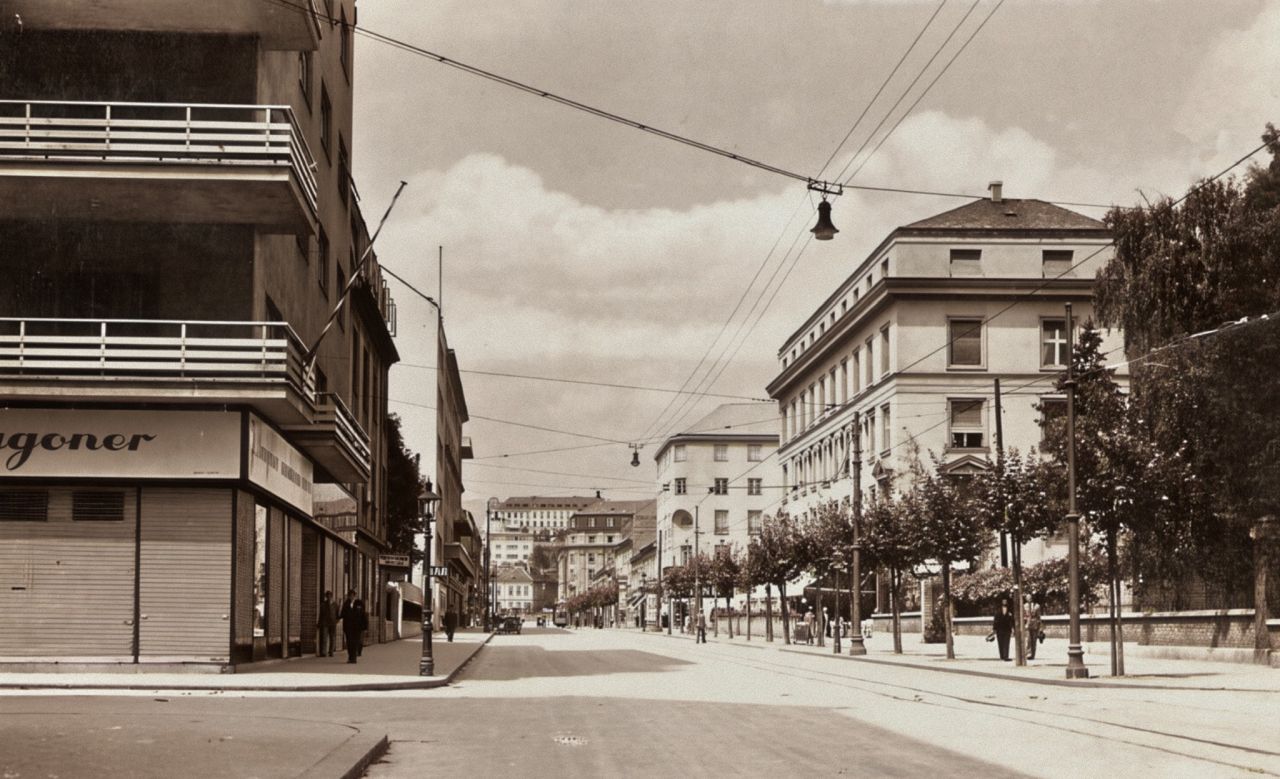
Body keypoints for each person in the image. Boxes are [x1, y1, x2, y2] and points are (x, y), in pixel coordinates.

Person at [339, 590, 365, 664]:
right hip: (348, 627)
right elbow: (342, 614)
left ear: (355, 596)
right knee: (349, 642)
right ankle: (350, 656)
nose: (351, 597)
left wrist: (364, 626)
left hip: (357, 627)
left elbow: (363, 615)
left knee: (355, 642)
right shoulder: (346, 604)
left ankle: (354, 658)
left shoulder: (359, 603)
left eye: (352, 595)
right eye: (350, 595)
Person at [317, 590, 337, 657]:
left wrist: (336, 621)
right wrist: (319, 623)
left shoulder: (335, 604)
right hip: (325, 623)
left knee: (332, 638)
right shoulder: (323, 605)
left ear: (331, 596)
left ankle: (331, 651)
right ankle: (324, 652)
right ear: (326, 597)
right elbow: (321, 615)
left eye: (330, 596)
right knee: (324, 638)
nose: (328, 597)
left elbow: (337, 614)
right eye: (327, 596)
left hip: (332, 623)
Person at [1024, 596, 1043, 661]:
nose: (1029, 599)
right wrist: (1025, 621)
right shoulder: (1024, 606)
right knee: (1028, 639)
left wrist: (1040, 627)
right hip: (1027, 624)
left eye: (1030, 598)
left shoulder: (1037, 606)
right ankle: (1028, 654)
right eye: (1028, 598)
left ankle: (1033, 655)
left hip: (1035, 624)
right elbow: (1023, 615)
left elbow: (1039, 616)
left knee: (1034, 640)